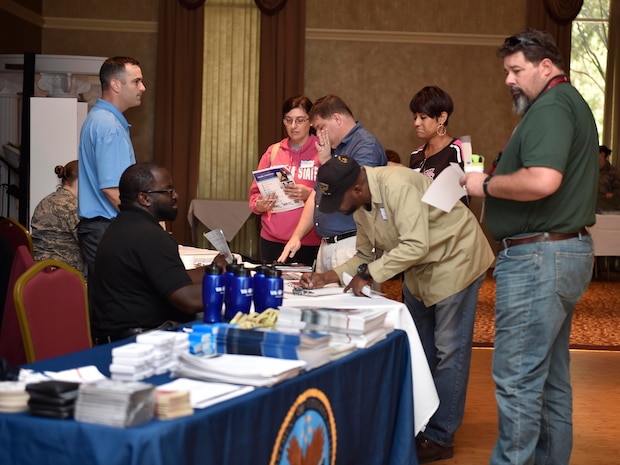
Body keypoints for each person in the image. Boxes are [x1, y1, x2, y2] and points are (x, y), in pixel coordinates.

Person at [460, 29, 598, 465]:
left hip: (541, 257)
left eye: (516, 70)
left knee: (518, 380)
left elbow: (542, 181)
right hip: (560, 252)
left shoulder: (552, 107)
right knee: (551, 382)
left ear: (545, 66)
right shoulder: (569, 102)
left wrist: (484, 184)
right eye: (507, 71)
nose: (508, 80)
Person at [300, 156, 495, 463]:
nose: (337, 207)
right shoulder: (360, 204)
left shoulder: (397, 185)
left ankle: (441, 436)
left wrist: (369, 274)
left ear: (357, 186)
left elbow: (415, 244)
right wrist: (328, 276)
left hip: (455, 257)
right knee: (420, 347)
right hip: (420, 269)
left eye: (339, 199)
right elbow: (365, 255)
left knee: (449, 350)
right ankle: (422, 424)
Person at [90, 163, 204, 345]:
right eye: (168, 191)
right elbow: (189, 300)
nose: (176, 196)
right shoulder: (149, 236)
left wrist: (215, 270)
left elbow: (170, 278)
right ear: (144, 198)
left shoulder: (123, 226)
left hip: (115, 338)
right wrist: (238, 287)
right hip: (140, 342)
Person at [277, 95, 387, 272]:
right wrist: (297, 236)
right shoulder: (334, 150)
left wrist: (327, 162)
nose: (319, 135)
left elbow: (356, 193)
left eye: (321, 127)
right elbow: (317, 195)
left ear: (337, 119)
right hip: (328, 245)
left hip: (353, 245)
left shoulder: (365, 146)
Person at [77, 56, 146, 281]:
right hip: (105, 228)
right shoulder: (108, 125)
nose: (142, 88)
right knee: (116, 303)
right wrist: (143, 223)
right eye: (136, 81)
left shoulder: (100, 118)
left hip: (100, 228)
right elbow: (111, 188)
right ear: (116, 85)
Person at [249, 96, 321, 264]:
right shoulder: (273, 152)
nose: (293, 126)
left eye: (300, 120)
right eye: (288, 120)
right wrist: (260, 204)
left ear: (311, 121)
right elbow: (254, 198)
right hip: (271, 240)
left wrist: (309, 194)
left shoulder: (322, 151)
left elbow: (332, 196)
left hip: (309, 241)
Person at [31, 160, 85, 275]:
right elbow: (88, 244)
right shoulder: (72, 207)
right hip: (65, 273)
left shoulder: (45, 201)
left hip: (38, 270)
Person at [408, 86, 463, 179]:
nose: (416, 123)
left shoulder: (456, 150)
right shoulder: (415, 155)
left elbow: (466, 189)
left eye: (423, 117)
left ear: (442, 118)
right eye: (415, 117)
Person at [597, 144, 620, 211]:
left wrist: (612, 195)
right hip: (592, 207)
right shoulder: (591, 170)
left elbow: (618, 189)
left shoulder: (613, 171)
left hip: (606, 207)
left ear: (602, 154)